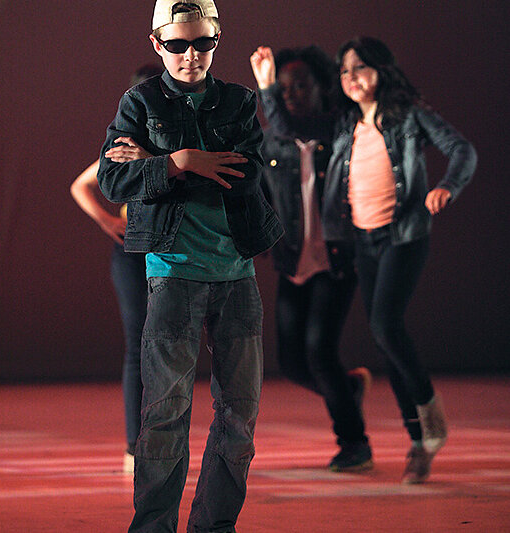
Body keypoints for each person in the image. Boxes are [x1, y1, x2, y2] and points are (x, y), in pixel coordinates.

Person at [251, 37, 477, 484]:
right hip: (346, 245)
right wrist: (266, 87)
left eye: (360, 68)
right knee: (370, 340)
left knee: (375, 332)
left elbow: (461, 150)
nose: (351, 78)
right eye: (345, 71)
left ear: (381, 70)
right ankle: (412, 431)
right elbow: (282, 130)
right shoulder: (339, 124)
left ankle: (411, 423)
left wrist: (446, 187)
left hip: (386, 240)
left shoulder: (401, 117)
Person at [97, 1, 283, 531]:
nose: (190, 55)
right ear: (158, 44)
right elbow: (112, 181)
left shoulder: (239, 100)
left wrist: (159, 165)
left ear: (217, 39)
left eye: (202, 43)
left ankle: (214, 526)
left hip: (236, 275)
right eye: (177, 44)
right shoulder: (140, 102)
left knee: (240, 417)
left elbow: (246, 176)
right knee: (164, 413)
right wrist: (181, 161)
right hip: (172, 272)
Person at [250, 46, 373, 472]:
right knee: (292, 362)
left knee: (320, 351)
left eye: (300, 86)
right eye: (283, 89)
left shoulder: (339, 130)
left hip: (336, 261)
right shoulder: (271, 141)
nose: (291, 95)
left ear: (321, 87)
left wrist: (265, 87)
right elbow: (261, 196)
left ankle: (355, 443)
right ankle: (348, 390)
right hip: (294, 262)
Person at [70, 64, 162, 474]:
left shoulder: (180, 138)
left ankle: (166, 441)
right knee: (137, 344)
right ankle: (134, 446)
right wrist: (108, 222)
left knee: (171, 346)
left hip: (173, 248)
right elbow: (80, 185)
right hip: (131, 252)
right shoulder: (125, 142)